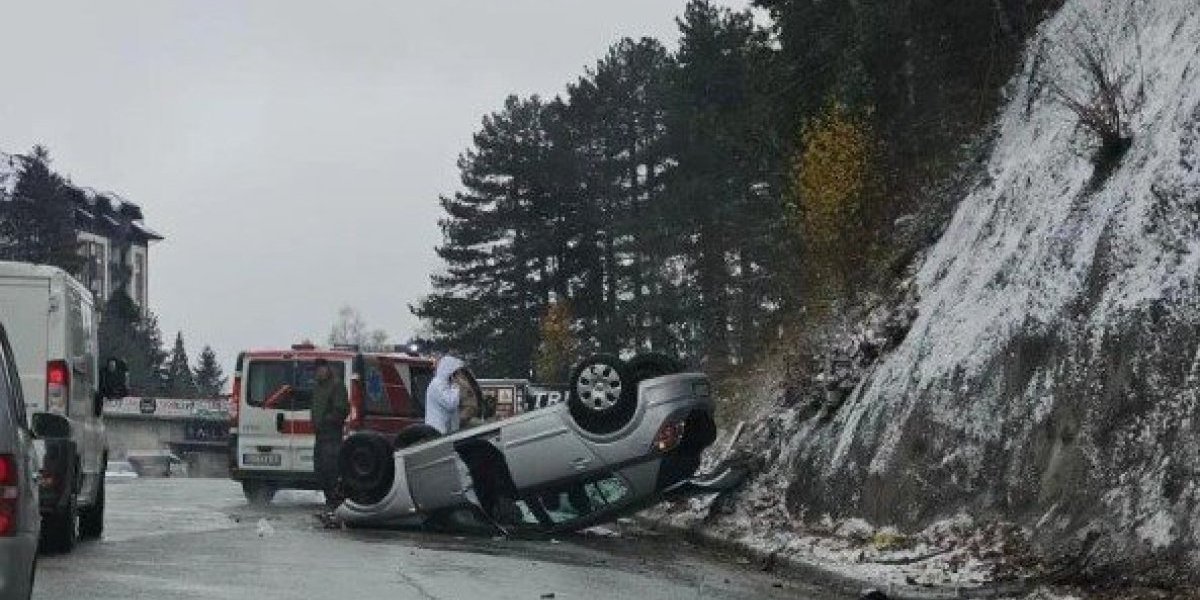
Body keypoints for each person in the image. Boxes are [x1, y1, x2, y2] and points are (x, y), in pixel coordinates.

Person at [309, 359, 348, 508]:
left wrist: (327, 421)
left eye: (321, 369)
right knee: (320, 470)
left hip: (331, 434)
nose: (318, 372)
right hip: (320, 434)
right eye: (316, 370)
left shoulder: (336, 385)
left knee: (331, 469)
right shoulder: (317, 387)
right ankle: (329, 499)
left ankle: (335, 502)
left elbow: (341, 409)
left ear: (327, 369)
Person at [425, 355, 467, 435]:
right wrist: (457, 386)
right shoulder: (437, 385)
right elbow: (451, 404)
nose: (458, 375)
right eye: (456, 372)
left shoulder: (445, 385)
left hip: (445, 431)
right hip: (437, 431)